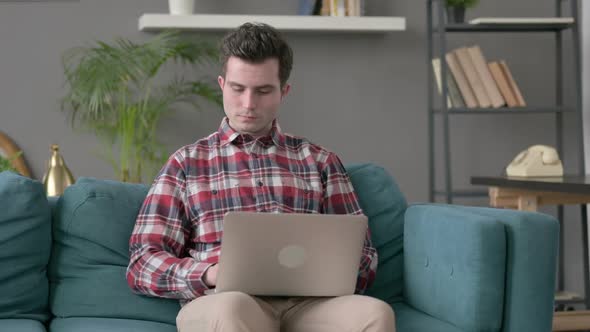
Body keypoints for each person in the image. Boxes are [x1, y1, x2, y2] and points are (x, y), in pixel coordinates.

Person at [126, 22, 395, 332]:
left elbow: (364, 254)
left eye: (263, 90)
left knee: (375, 314)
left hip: (310, 305)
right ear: (222, 85)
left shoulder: (320, 161)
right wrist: (210, 273)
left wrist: (331, 275)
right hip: (224, 299)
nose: (248, 104)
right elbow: (142, 262)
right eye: (238, 89)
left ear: (284, 91)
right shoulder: (186, 163)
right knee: (231, 309)